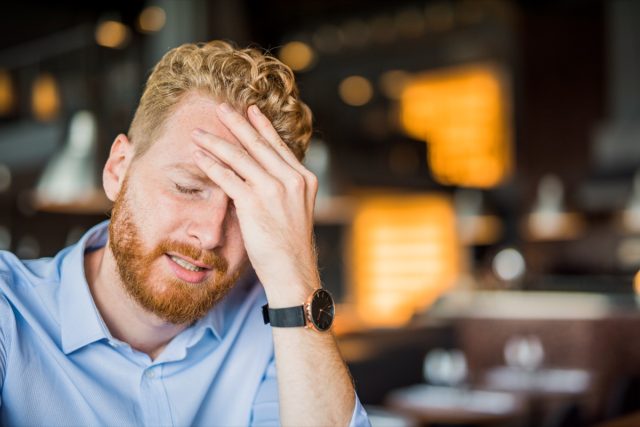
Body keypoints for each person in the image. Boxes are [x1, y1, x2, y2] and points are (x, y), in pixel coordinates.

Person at [0, 40, 370, 426]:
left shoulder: (276, 320)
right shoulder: (9, 311)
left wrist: (296, 278)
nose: (210, 234)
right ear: (118, 169)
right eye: (187, 188)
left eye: (244, 207)